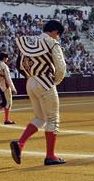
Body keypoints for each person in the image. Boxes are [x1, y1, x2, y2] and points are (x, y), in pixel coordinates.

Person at [9, 20, 68, 166]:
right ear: (55, 32)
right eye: (58, 35)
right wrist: (54, 81)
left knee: (40, 118)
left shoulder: (29, 41)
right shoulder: (52, 43)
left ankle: (20, 143)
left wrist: (31, 75)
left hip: (31, 82)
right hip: (45, 82)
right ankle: (50, 156)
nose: (57, 38)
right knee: (53, 119)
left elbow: (19, 65)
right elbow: (61, 67)